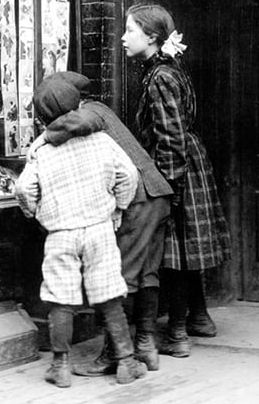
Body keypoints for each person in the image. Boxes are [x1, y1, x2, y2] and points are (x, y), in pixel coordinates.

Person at [29, 71, 173, 374]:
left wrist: (41, 140)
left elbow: (71, 124)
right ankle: (145, 346)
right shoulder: (97, 112)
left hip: (137, 198)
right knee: (147, 273)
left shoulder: (89, 112)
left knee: (121, 277)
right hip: (156, 194)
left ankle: (114, 354)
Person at [122, 3, 231, 358]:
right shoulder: (168, 69)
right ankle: (198, 318)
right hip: (186, 159)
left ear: (151, 37)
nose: (123, 38)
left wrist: (171, 184)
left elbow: (169, 134)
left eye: (130, 31)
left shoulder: (161, 77)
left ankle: (179, 332)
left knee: (174, 248)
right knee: (185, 245)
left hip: (174, 163)